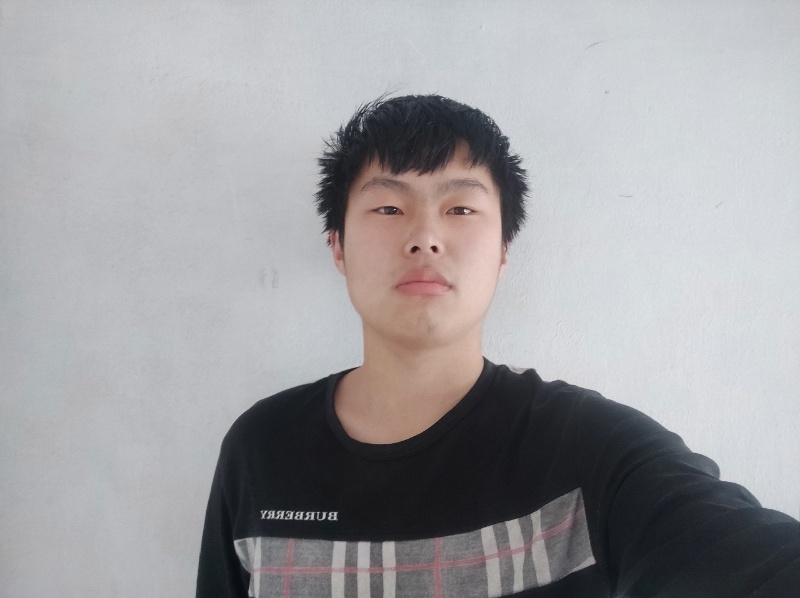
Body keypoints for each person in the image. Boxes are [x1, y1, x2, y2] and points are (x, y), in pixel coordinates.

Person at [196, 95, 799, 597]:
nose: (425, 237)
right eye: (388, 206)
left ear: (504, 251)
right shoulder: (261, 449)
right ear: (338, 246)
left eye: (460, 208)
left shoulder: (591, 454)